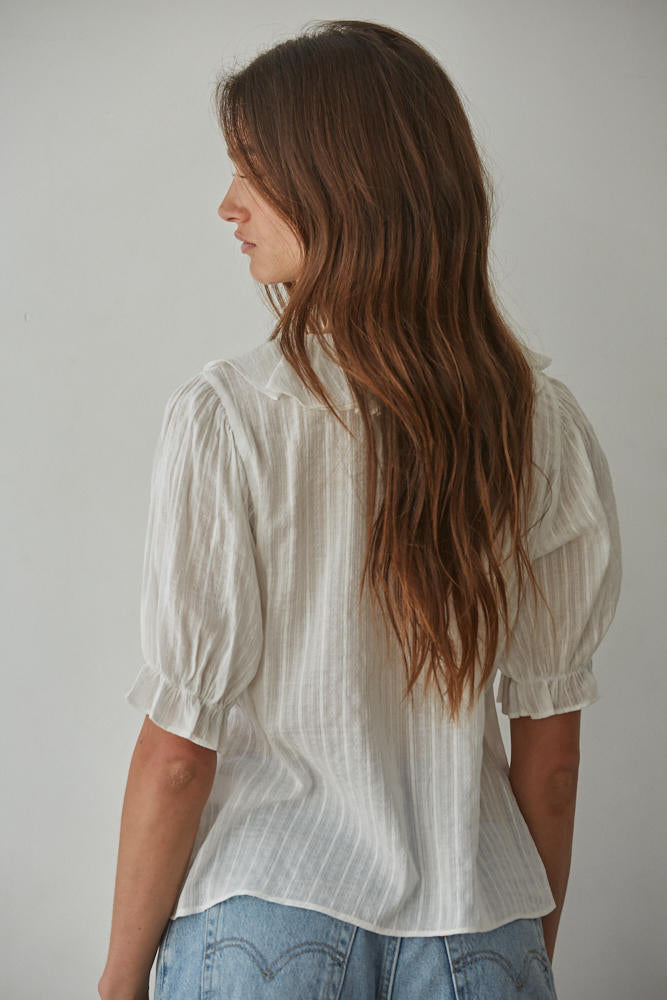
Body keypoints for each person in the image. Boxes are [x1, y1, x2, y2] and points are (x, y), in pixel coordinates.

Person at [98, 19, 622, 1000]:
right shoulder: (542, 424)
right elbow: (550, 761)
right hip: (480, 922)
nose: (227, 205)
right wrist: (512, 956)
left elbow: (178, 759)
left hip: (264, 916)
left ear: (342, 186)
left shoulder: (230, 416)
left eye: (253, 173)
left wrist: (118, 983)